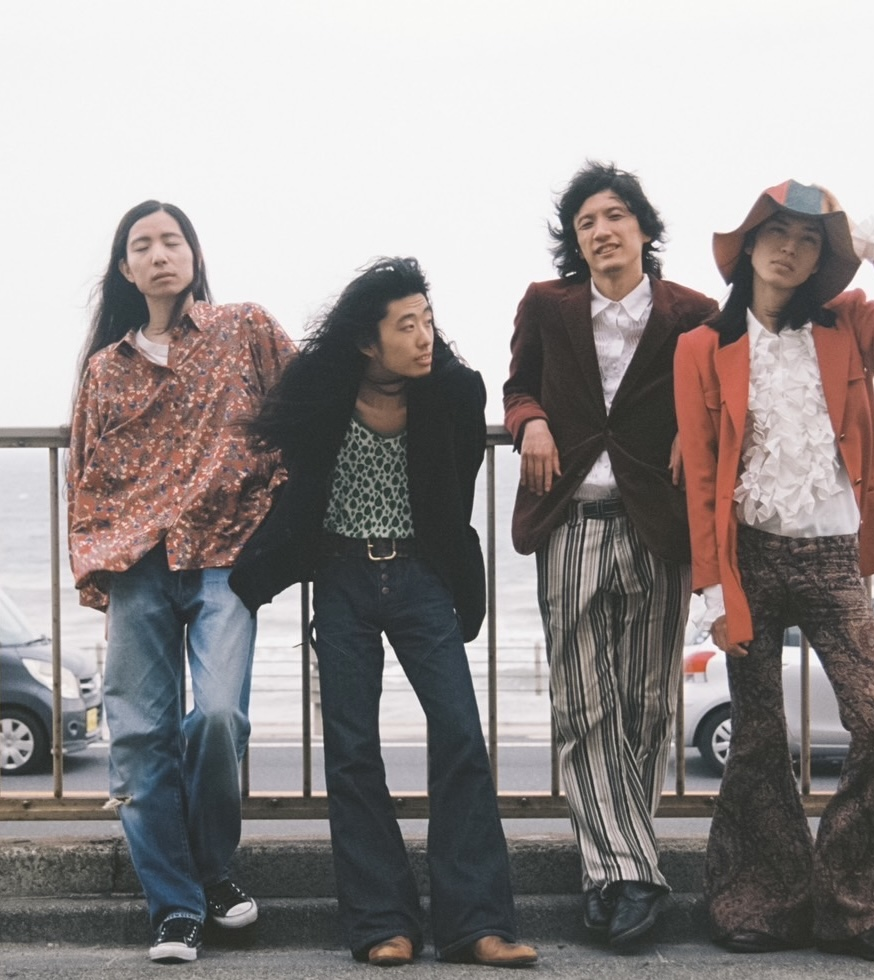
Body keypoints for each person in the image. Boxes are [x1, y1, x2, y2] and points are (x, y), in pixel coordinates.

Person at [229, 257, 537, 968]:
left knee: (461, 734)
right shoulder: (320, 392)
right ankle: (381, 922)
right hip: (341, 577)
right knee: (352, 750)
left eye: (427, 320)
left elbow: (455, 487)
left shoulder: (454, 393)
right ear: (368, 341)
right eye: (406, 325)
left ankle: (477, 923)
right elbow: (296, 486)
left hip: (421, 576)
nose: (425, 336)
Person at [674, 180, 874, 962]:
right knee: (757, 737)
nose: (790, 250)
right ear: (750, 244)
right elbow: (702, 477)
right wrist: (713, 589)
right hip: (750, 555)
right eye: (778, 233)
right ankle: (758, 903)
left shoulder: (849, 325)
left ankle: (859, 907)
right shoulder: (702, 347)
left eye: (808, 241)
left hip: (833, 557)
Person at [67, 201, 294, 963]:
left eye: (172, 241)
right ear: (125, 269)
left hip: (227, 555)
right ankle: (178, 906)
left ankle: (210, 866)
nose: (159, 254)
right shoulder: (107, 368)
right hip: (136, 561)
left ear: (194, 254)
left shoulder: (245, 328)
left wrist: (288, 514)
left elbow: (312, 400)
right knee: (139, 739)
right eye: (143, 245)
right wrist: (92, 564)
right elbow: (83, 470)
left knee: (219, 718)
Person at [503, 162, 717, 949]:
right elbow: (517, 386)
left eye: (615, 215)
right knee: (582, 701)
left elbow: (719, 397)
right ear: (576, 240)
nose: (601, 230)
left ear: (644, 229)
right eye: (586, 221)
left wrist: (696, 435)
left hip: (658, 522)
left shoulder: (694, 312)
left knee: (647, 703)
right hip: (573, 519)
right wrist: (530, 422)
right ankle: (634, 872)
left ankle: (610, 874)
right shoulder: (547, 304)